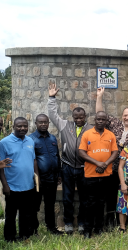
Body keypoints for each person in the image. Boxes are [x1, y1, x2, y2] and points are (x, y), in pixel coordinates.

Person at [48, 84, 93, 234]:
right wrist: (52, 98)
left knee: (84, 199)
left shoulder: (91, 129)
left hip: (84, 168)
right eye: (76, 117)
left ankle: (81, 223)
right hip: (67, 166)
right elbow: (53, 115)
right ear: (72, 117)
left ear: (85, 117)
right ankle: (68, 223)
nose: (78, 120)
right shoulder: (65, 125)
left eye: (81, 117)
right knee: (67, 197)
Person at [96, 87, 128, 228]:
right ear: (122, 115)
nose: (126, 117)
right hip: (112, 167)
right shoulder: (115, 124)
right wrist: (99, 96)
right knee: (111, 195)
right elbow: (100, 114)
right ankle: (111, 221)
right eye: (125, 115)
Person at [0, 117, 39, 242]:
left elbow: (33, 160)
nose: (22, 128)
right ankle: (9, 238)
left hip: (29, 185)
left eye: (25, 126)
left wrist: (37, 177)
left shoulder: (30, 141)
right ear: (13, 127)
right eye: (19, 126)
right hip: (12, 186)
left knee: (26, 214)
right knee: (11, 214)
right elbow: (0, 166)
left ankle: (24, 235)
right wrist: (5, 185)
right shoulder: (4, 142)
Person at [78, 111, 118, 238]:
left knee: (101, 202)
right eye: (98, 119)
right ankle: (87, 230)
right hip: (90, 175)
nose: (100, 121)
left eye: (103, 119)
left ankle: (99, 228)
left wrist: (105, 164)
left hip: (106, 175)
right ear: (94, 120)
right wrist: (97, 163)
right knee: (89, 203)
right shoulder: (87, 134)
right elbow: (81, 152)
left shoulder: (111, 135)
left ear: (107, 121)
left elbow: (115, 152)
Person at [28, 114, 63, 235]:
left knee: (50, 204)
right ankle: (33, 229)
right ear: (36, 123)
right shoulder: (31, 139)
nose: (43, 124)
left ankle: (52, 228)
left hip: (52, 179)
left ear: (48, 123)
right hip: (38, 180)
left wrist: (59, 174)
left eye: (45, 122)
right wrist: (36, 178)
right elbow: (30, 160)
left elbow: (57, 157)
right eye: (40, 122)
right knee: (35, 205)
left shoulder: (52, 138)